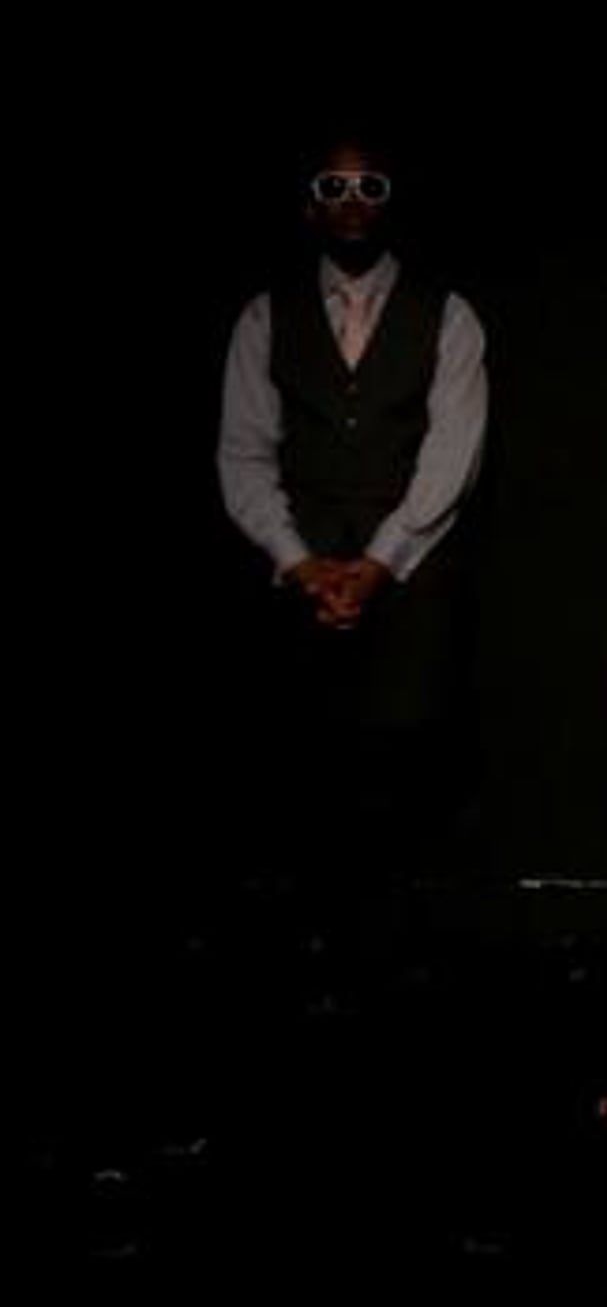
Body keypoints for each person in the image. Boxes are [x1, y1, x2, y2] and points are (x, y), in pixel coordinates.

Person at [216, 134, 489, 991]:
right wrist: (300, 563)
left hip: (410, 569)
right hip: (298, 570)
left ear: (392, 201)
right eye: (334, 187)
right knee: (307, 759)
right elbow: (244, 451)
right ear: (309, 205)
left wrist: (377, 563)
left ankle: (396, 950)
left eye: (369, 185)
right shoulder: (266, 315)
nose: (352, 201)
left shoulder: (447, 313)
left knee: (402, 756)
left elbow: (452, 456)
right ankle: (314, 950)